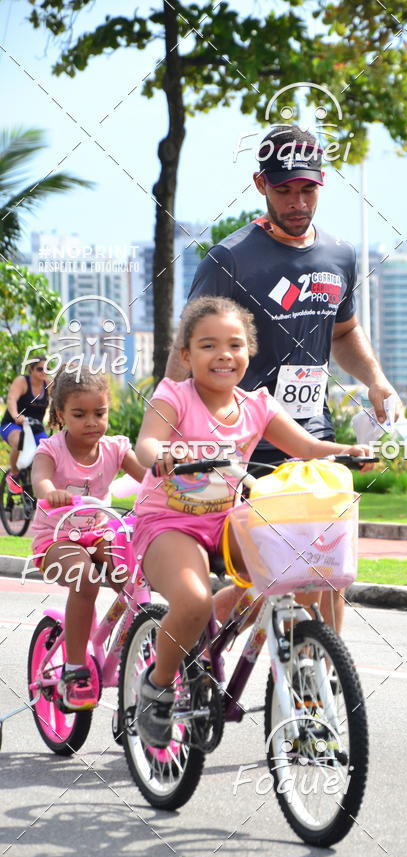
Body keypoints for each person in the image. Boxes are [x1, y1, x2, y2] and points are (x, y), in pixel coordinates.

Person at [165, 123, 401, 633]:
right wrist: (172, 430)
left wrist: (376, 381)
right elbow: (186, 351)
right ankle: (197, 652)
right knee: (263, 576)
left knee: (328, 568)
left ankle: (317, 687)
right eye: (284, 189)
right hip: (243, 441)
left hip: (312, 433)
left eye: (307, 189)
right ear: (260, 184)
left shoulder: (339, 254)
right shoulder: (232, 259)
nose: (297, 202)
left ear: (321, 184)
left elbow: (344, 332)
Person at [134, 296, 371, 747]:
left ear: (249, 352)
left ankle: (300, 683)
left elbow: (307, 447)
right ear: (186, 356)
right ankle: (158, 687)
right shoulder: (173, 395)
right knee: (192, 601)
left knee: (304, 569)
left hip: (230, 521)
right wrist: (162, 455)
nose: (223, 354)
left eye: (235, 345)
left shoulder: (257, 404)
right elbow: (147, 443)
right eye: (207, 346)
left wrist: (347, 453)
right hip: (168, 522)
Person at [31, 365, 145, 711]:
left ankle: (137, 653)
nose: (92, 422)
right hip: (56, 538)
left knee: (134, 573)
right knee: (85, 579)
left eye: (100, 413)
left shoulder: (115, 448)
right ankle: (75, 668)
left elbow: (149, 476)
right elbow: (41, 481)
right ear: (61, 414)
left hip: (98, 531)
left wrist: (171, 485)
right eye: (79, 414)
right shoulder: (50, 451)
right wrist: (53, 492)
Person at [1, 359, 50, 493]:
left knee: (48, 450)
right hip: (12, 424)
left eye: (47, 368)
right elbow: (11, 399)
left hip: (35, 428)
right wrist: (16, 415)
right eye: (40, 369)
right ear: (31, 370)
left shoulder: (48, 384)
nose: (44, 372)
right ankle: (14, 475)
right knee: (20, 441)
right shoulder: (22, 381)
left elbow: (58, 403)